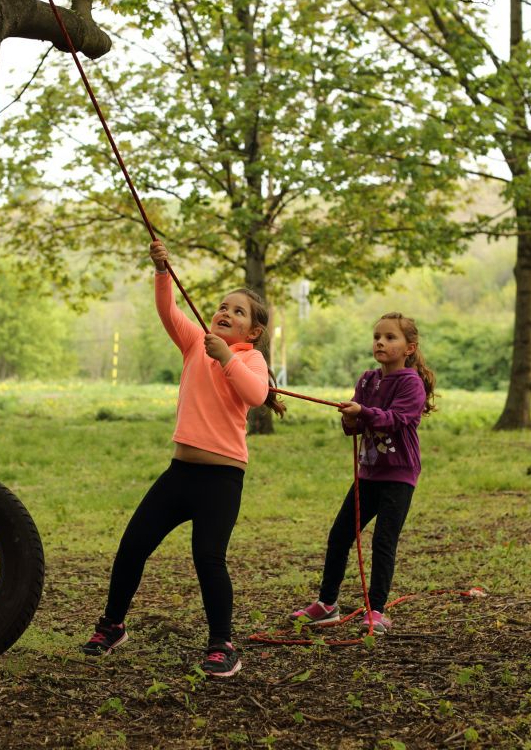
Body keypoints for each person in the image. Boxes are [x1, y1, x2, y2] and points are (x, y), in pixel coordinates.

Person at [81, 238, 285, 677]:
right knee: (133, 546)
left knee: (208, 558)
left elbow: (256, 395)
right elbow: (168, 311)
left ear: (253, 332)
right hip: (180, 474)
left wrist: (226, 356)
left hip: (221, 479)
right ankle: (113, 625)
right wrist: (161, 271)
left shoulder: (250, 360)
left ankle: (222, 644)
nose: (225, 312)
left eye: (238, 311)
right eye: (223, 306)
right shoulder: (196, 343)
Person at [293, 312, 436, 635]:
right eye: (377, 337)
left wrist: (363, 412)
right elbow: (356, 426)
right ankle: (327, 604)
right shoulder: (367, 380)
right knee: (339, 535)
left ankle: (377, 611)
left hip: (399, 475)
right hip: (368, 474)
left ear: (410, 348)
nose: (380, 342)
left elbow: (395, 420)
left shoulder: (411, 383)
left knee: (383, 542)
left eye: (390, 337)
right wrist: (350, 418)